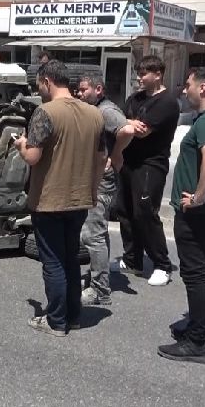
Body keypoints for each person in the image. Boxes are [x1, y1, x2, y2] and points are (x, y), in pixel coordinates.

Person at [15, 61, 105, 337]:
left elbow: (33, 156)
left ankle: (56, 320)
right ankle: (73, 315)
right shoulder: (95, 113)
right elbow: (103, 159)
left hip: (49, 199)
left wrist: (21, 144)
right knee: (70, 259)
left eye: (38, 84)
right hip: (80, 198)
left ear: (46, 81)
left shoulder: (45, 112)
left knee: (53, 261)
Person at [158, 67, 205, 364]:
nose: (184, 90)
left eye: (188, 85)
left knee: (194, 274)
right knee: (203, 270)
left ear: (203, 89)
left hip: (198, 213)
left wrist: (199, 196)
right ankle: (203, 330)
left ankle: (196, 342)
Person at [118, 55, 179, 287]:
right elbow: (122, 122)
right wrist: (129, 123)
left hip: (151, 163)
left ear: (158, 74)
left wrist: (129, 124)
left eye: (144, 73)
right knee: (124, 210)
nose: (139, 78)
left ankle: (162, 264)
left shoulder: (167, 102)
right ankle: (132, 258)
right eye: (138, 73)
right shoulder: (134, 98)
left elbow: (142, 131)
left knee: (145, 211)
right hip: (128, 161)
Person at [76, 72, 135, 306]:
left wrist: (116, 153)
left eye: (83, 90)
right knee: (97, 232)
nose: (79, 94)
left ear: (98, 89)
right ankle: (97, 279)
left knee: (93, 235)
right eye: (78, 90)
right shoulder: (96, 110)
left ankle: (100, 290)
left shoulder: (105, 111)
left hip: (102, 179)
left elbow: (127, 130)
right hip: (97, 177)